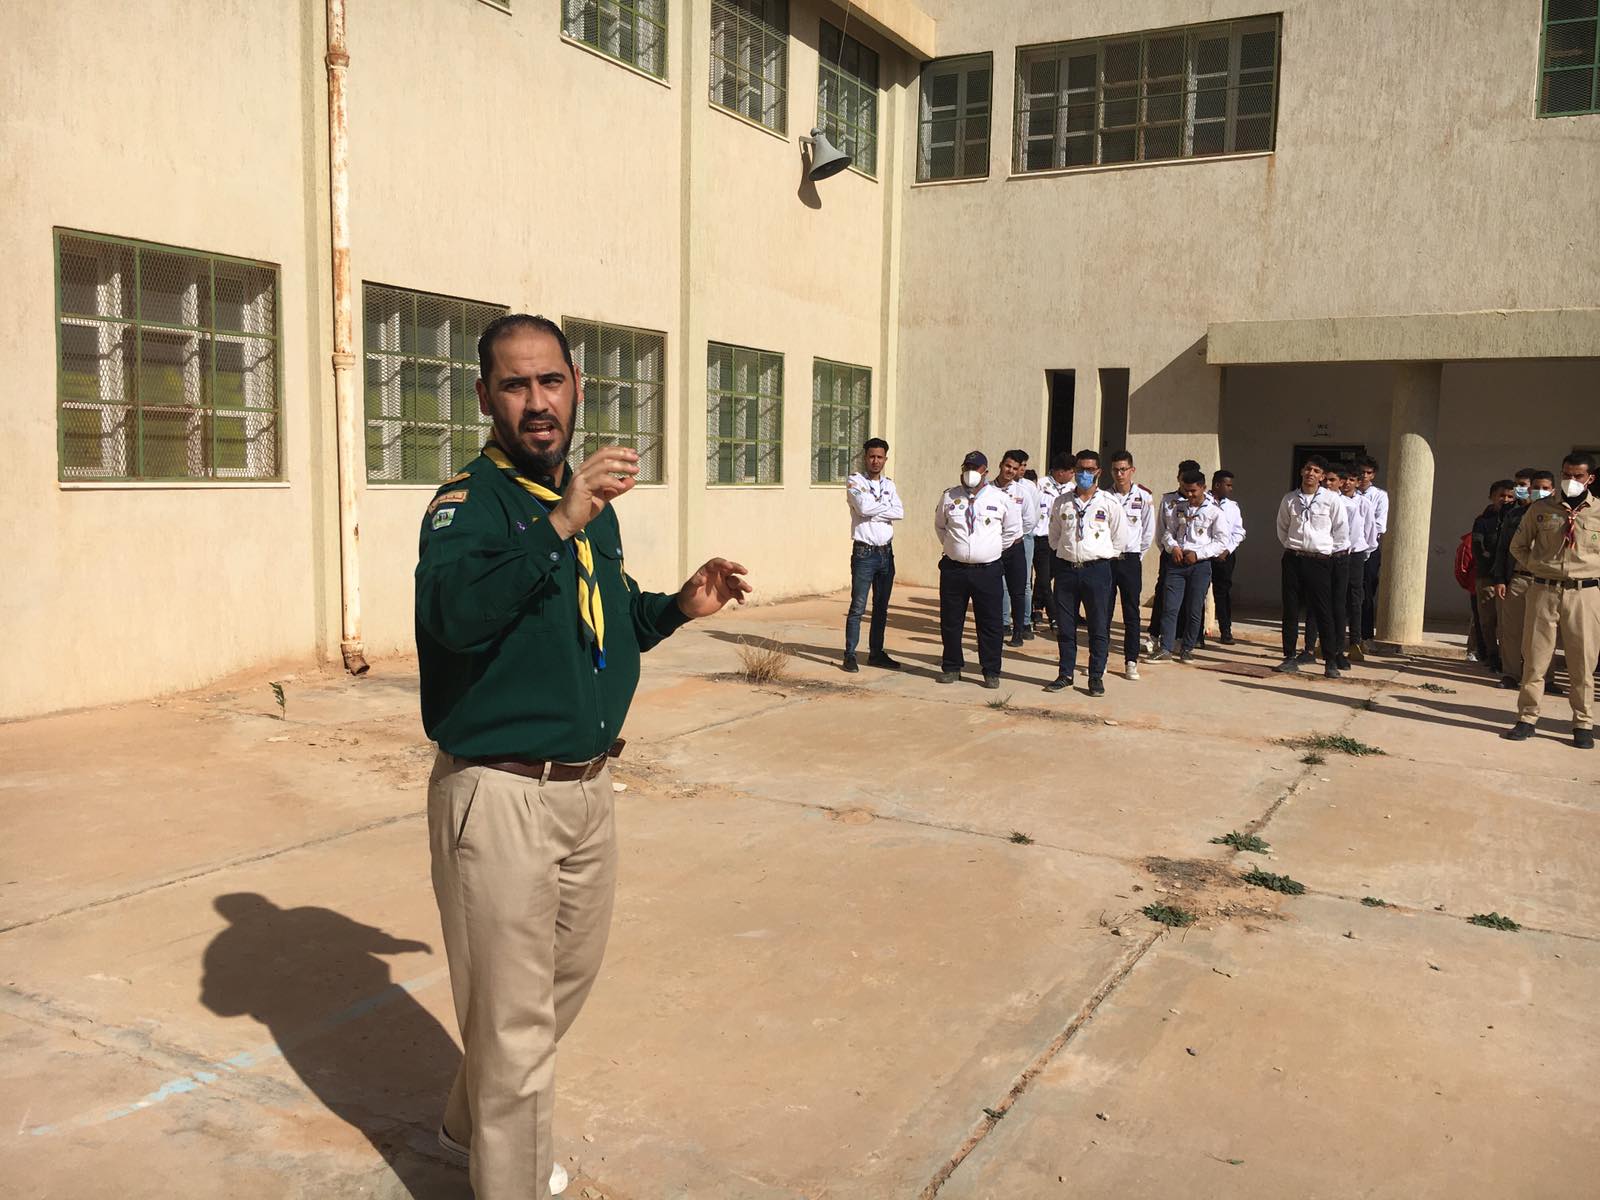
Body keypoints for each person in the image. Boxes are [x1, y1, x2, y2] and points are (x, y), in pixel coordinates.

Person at [415, 314, 751, 1200]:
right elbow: (454, 617)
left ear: (576, 388)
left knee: (560, 985)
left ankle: (466, 1127)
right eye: (515, 385)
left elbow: (602, 621)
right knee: (516, 1026)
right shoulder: (468, 506)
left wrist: (675, 608)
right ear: (484, 397)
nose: (537, 402)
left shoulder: (588, 509)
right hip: (501, 796)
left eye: (551, 381)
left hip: (587, 791)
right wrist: (559, 521)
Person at [1503, 452, 1600, 750]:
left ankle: (1582, 723)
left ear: (1590, 478)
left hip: (1584, 593)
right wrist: (1538, 566)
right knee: (1535, 658)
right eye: (1566, 474)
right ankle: (1527, 718)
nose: (1571, 480)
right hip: (1544, 590)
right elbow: (1518, 546)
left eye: (1577, 475)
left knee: (1582, 661)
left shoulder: (1598, 511)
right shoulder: (1541, 509)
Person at [1044, 449, 1128, 696]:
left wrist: (1098, 555)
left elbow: (1119, 539)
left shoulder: (1109, 503)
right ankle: (1065, 673)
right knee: (1065, 626)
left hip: (1097, 571)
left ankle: (1095, 676)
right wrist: (1069, 553)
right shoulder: (1062, 502)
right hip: (1067, 570)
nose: (1084, 474)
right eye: (1080, 469)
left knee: (1098, 626)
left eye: (1090, 470)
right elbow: (1054, 537)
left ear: (1098, 472)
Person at [934, 450, 1021, 688]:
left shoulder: (1000, 498)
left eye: (976, 468)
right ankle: (952, 666)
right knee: (951, 621)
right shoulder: (949, 496)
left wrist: (990, 550)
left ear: (986, 472)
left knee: (990, 623)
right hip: (954, 570)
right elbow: (940, 527)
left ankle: (991, 670)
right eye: (967, 468)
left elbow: (1012, 531)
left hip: (988, 570)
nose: (970, 473)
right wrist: (955, 548)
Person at [1274, 455, 1348, 679]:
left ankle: (1330, 660)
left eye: (1316, 471)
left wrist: (1325, 552)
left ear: (1322, 476)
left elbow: (1341, 531)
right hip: (1294, 558)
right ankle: (1289, 657)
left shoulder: (1331, 499)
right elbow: (1282, 528)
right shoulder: (1290, 499)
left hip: (1319, 561)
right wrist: (1294, 547)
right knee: (1290, 609)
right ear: (1301, 472)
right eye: (1307, 469)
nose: (1310, 474)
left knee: (1323, 610)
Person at [1149, 469, 1226, 662]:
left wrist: (1198, 554)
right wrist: (1173, 547)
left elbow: (1221, 542)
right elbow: (1168, 532)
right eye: (1186, 490)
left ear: (1203, 488)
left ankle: (1187, 647)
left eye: (1193, 491)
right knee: (1170, 607)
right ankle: (1165, 648)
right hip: (1177, 563)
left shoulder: (1214, 511)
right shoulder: (1179, 507)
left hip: (1199, 565)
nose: (1189, 495)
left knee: (1193, 608)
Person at [842, 437, 903, 673]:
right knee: (858, 607)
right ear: (865, 458)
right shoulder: (855, 481)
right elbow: (863, 508)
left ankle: (876, 653)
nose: (875, 461)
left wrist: (874, 512)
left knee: (881, 607)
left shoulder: (889, 485)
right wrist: (884, 510)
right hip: (864, 553)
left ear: (885, 459)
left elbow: (900, 512)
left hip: (886, 553)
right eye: (871, 456)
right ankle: (850, 654)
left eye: (880, 457)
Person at [1492, 468, 1555, 690]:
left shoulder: (1560, 515)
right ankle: (1510, 674)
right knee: (1512, 630)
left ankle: (1546, 678)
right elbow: (1503, 548)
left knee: (1545, 632)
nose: (1539, 491)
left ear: (1553, 490)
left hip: (1546, 580)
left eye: (1545, 488)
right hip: (1519, 578)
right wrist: (1500, 578)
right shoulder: (1515, 515)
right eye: (1535, 487)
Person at [1300, 464, 1356, 669]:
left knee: (1337, 606)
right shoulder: (1315, 501)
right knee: (1314, 604)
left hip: (1339, 558)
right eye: (1327, 479)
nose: (1328, 483)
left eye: (1333, 480)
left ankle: (1337, 651)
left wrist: (1338, 552)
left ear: (1341, 482)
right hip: (1320, 558)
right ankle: (1309, 648)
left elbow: (1354, 534)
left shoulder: (1349, 505)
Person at [1146, 459, 1202, 654]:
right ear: (1178, 478)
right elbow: (1162, 529)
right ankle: (1155, 634)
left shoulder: (1206, 503)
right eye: (1183, 478)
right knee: (1163, 596)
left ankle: (1183, 638)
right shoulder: (1169, 500)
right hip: (1171, 555)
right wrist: (1169, 550)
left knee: (1191, 601)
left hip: (1195, 558)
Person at [1108, 450, 1155, 679]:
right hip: (1108, 560)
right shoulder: (1104, 496)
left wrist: (1137, 556)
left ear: (1132, 470)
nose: (1120, 474)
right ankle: (1100, 660)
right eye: (1116, 470)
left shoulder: (1143, 496)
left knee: (1131, 612)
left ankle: (1131, 661)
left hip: (1131, 560)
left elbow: (1148, 531)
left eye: (1123, 469)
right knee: (1103, 611)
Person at [1469, 479, 1517, 675]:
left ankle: (1510, 658)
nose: (1505, 499)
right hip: (1487, 577)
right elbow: (1478, 548)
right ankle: (1492, 655)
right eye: (1501, 495)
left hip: (1511, 578)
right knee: (1488, 620)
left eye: (1510, 496)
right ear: (1492, 497)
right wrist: (1495, 564)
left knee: (1509, 622)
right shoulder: (1482, 521)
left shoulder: (1519, 519)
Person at [997, 450, 1042, 645]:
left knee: (1019, 589)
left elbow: (1030, 520)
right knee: (997, 587)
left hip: (1015, 546)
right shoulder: (988, 489)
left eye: (1015, 468)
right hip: (993, 547)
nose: (1010, 471)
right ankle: (1000, 625)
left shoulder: (1022, 492)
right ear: (1001, 465)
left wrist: (1014, 536)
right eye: (1008, 466)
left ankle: (1019, 630)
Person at [1208, 469, 1246, 646]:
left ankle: (1226, 631)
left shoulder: (1232, 507)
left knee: (1222, 594)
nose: (1231, 489)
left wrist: (1227, 550)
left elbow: (1239, 532)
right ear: (1217, 485)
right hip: (1204, 556)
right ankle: (1195, 634)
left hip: (1225, 557)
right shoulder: (1203, 502)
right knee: (1198, 593)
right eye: (1228, 485)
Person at [1356, 456, 1389, 646]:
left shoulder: (1379, 496)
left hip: (1370, 548)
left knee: (1366, 592)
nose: (1364, 476)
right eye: (1361, 472)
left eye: (1368, 472)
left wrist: (1363, 539)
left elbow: (1379, 525)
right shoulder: (1347, 494)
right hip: (1348, 549)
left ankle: (1366, 635)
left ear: (1373, 475)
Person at [1033, 460, 1067, 628]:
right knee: (1043, 578)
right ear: (1061, 472)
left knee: (1047, 576)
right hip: (1038, 537)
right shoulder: (1041, 484)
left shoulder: (1071, 488)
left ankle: (1037, 607)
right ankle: (1051, 614)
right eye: (1071, 472)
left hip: (1057, 539)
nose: (1073, 476)